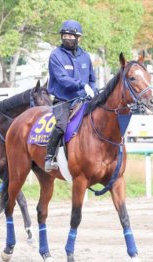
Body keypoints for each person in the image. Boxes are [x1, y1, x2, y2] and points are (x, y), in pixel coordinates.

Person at [45, 19, 97, 172]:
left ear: (78, 38)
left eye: (70, 36)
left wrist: (93, 90)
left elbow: (92, 79)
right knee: (61, 126)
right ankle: (49, 157)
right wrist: (82, 85)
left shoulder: (86, 56)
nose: (67, 38)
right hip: (63, 101)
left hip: (85, 99)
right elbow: (63, 80)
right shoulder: (56, 55)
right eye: (64, 36)